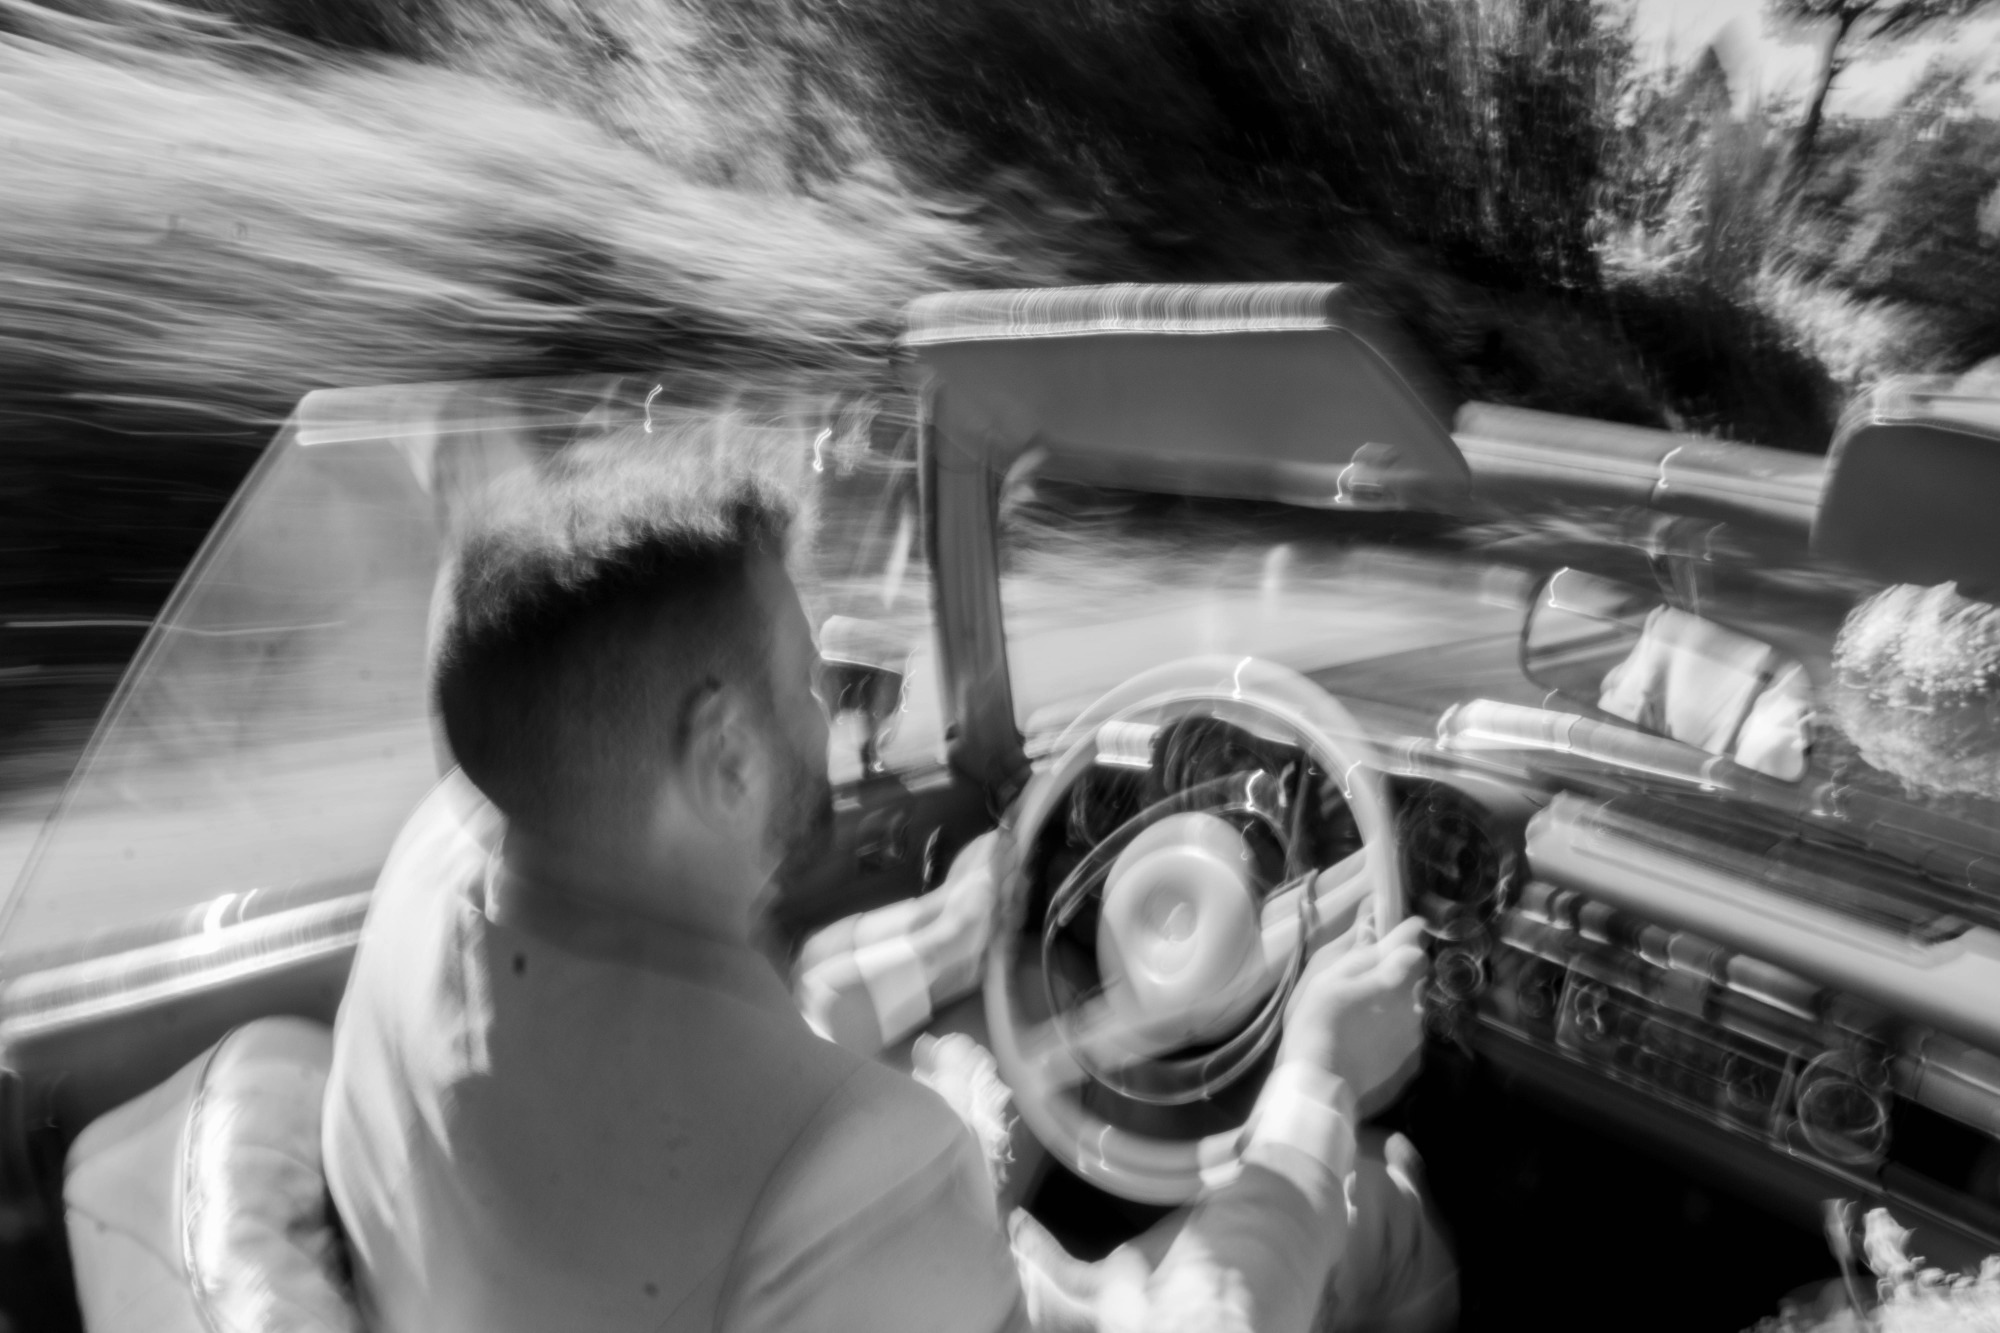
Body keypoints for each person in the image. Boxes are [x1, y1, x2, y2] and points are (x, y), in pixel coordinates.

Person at [321, 425, 1456, 1333]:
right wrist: (1314, 1079)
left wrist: (943, 935)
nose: (830, 707)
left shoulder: (443, 856)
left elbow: (720, 1045)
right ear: (725, 753)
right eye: (806, 678)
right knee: (1372, 1208)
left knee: (994, 1015)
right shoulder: (863, 1174)